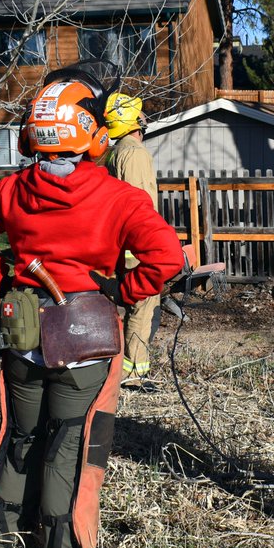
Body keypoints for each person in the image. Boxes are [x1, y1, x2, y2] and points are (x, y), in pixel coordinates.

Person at [0, 74, 182, 548]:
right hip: (86, 337)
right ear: (93, 136)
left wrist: (4, 281)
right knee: (69, 447)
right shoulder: (120, 197)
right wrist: (123, 290)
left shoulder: (10, 189)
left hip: (23, 333)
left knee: (20, 437)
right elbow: (167, 257)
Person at [102, 92, 162, 392]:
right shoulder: (135, 153)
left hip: (121, 243)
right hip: (137, 246)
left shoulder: (115, 152)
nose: (144, 117)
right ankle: (135, 373)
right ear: (133, 120)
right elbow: (140, 204)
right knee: (143, 304)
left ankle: (119, 368)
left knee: (129, 306)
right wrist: (150, 245)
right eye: (140, 113)